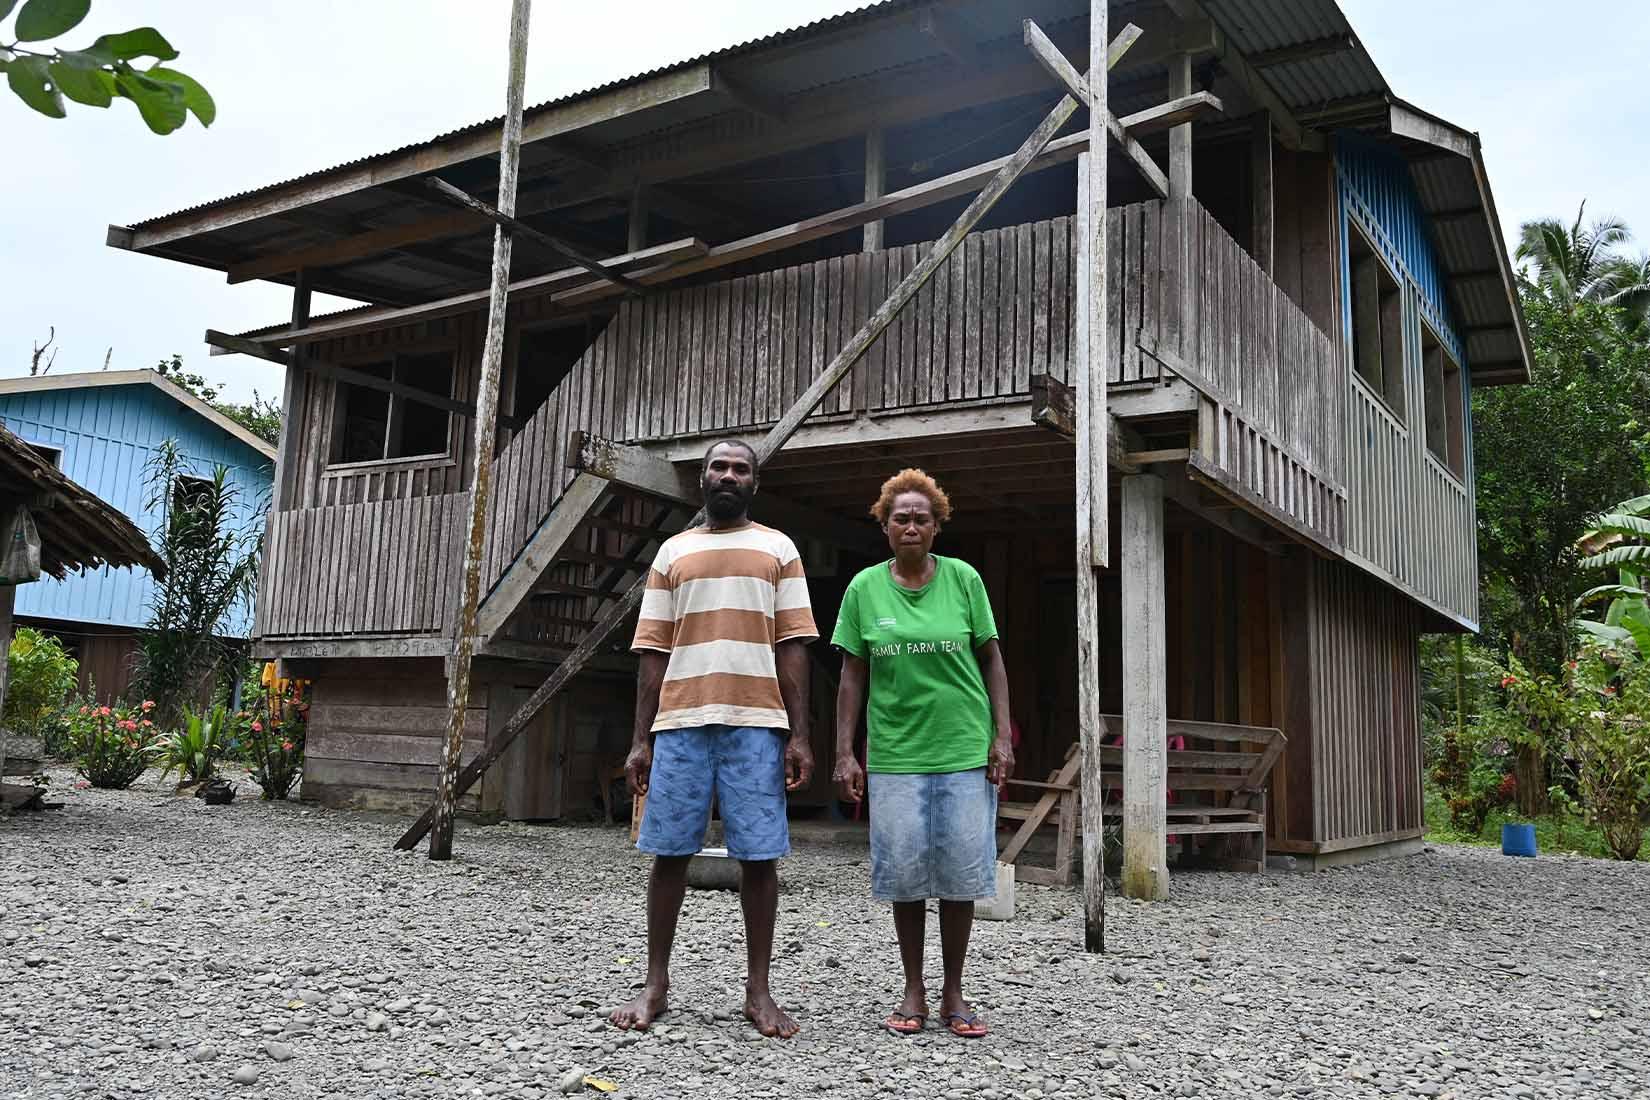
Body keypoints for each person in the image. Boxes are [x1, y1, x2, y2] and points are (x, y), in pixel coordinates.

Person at [609, 439, 818, 1039]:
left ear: (755, 482)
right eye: (718, 468)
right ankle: (655, 984)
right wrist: (639, 740)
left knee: (760, 857)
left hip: (757, 723)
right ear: (701, 480)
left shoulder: (778, 548)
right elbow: (651, 650)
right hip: (679, 723)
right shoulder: (672, 552)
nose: (728, 476)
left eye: (740, 469)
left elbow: (794, 644)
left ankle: (759, 991)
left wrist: (799, 735)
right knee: (669, 854)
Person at [830, 469, 1014, 1039]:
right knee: (905, 874)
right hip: (895, 754)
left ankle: (954, 989)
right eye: (900, 518)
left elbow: (992, 662)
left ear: (937, 527)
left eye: (922, 518)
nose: (911, 526)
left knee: (960, 874)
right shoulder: (864, 589)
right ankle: (913, 985)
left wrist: (1001, 736)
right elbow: (852, 675)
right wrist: (845, 751)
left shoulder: (963, 580)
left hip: (962, 749)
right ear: (884, 527)